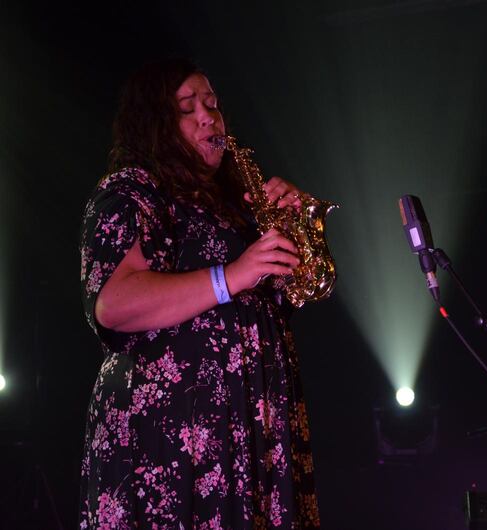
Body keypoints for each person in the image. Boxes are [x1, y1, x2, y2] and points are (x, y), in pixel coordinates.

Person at [78, 58, 321, 529]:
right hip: (171, 437)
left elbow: (303, 287)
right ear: (154, 125)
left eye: (212, 104)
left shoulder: (232, 207)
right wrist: (231, 275)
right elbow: (115, 304)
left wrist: (297, 225)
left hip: (248, 429)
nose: (209, 116)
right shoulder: (132, 192)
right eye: (187, 108)